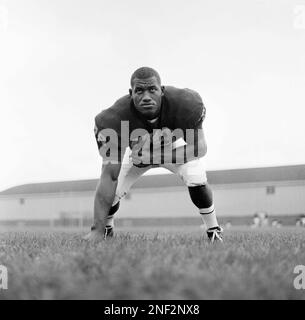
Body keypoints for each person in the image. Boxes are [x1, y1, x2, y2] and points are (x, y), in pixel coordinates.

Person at [84, 67, 223, 243]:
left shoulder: (185, 103)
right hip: (137, 156)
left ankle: (213, 230)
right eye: (139, 91)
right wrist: (96, 229)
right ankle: (106, 229)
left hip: (172, 149)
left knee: (196, 175)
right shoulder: (112, 120)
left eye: (152, 89)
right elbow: (109, 175)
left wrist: (155, 157)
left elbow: (200, 148)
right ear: (131, 93)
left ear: (162, 91)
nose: (147, 97)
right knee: (115, 187)